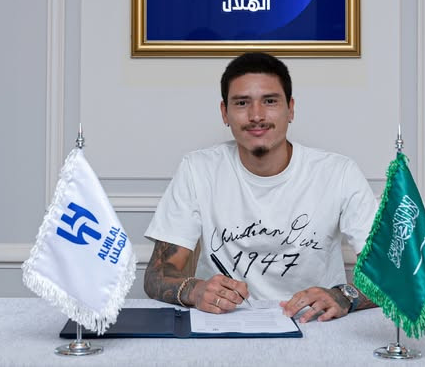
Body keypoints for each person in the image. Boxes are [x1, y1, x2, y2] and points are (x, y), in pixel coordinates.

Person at [144, 52, 377, 323]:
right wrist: (195, 291)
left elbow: (394, 274)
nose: (256, 115)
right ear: (225, 113)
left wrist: (343, 295)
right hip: (223, 324)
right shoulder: (197, 169)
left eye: (270, 101)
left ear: (290, 109)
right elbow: (157, 276)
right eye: (242, 103)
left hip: (316, 324)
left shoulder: (339, 173)